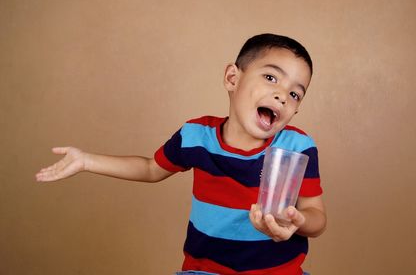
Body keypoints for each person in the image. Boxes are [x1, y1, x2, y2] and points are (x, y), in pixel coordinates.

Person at [36, 33, 326, 275]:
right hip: (204, 270)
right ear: (232, 78)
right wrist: (87, 160)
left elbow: (316, 216)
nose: (282, 96)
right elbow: (151, 168)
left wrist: (298, 221)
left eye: (295, 94)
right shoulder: (195, 137)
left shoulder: (297, 147)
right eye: (271, 78)